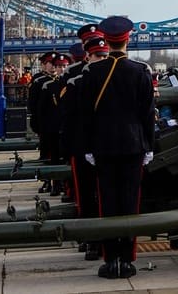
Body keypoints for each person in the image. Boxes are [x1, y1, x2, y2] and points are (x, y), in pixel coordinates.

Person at [77, 16, 155, 279]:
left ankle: (111, 260)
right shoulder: (140, 71)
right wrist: (149, 146)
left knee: (108, 202)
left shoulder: (93, 72)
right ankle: (128, 259)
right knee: (130, 202)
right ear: (127, 40)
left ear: (106, 41)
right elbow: (148, 114)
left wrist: (88, 146)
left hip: (103, 145)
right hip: (133, 145)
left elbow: (86, 114)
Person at [57, 26, 104, 262]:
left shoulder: (109, 73)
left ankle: (102, 238)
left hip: (100, 143)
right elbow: (67, 114)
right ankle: (91, 238)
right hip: (85, 144)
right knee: (86, 194)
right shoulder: (74, 76)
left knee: (101, 193)